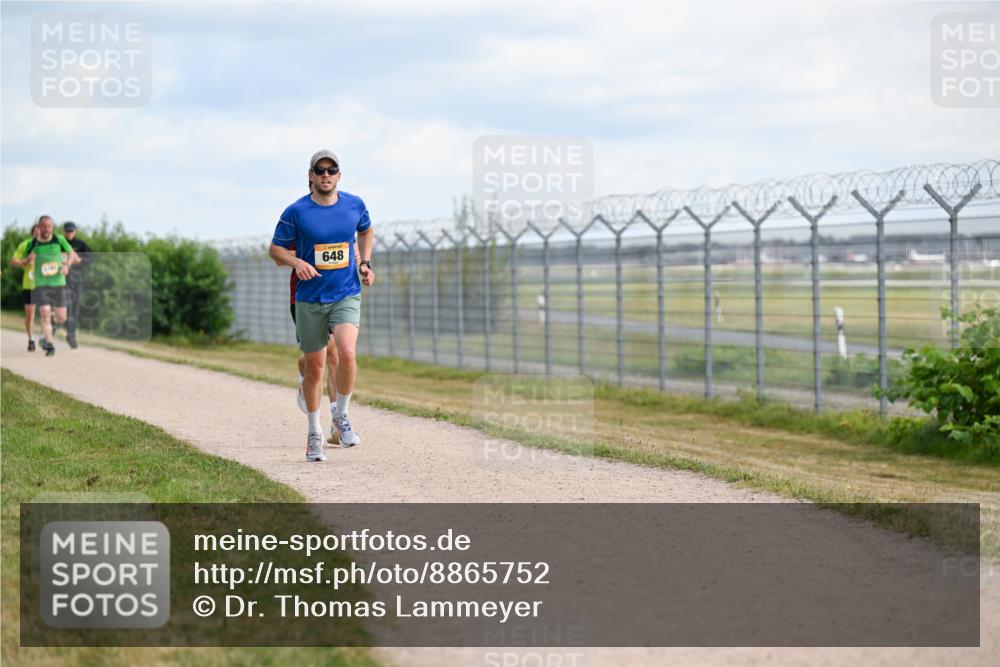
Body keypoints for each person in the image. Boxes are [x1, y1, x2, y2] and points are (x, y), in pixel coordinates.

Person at [270, 149, 375, 462]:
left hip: (345, 292)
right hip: (309, 296)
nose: (326, 175)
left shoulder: (354, 205)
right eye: (320, 170)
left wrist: (365, 263)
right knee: (316, 365)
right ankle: (314, 432)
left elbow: (363, 232)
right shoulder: (296, 212)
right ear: (311, 176)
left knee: (344, 352)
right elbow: (276, 251)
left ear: (339, 175)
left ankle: (340, 417)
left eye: (332, 170)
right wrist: (297, 262)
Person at [17, 216, 80, 356]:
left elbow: (71, 253)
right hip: (41, 284)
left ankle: (51, 324)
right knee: (44, 313)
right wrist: (27, 260)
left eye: (49, 226)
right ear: (39, 227)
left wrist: (67, 265)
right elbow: (24, 261)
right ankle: (49, 345)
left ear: (52, 227)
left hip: (58, 283)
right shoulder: (33, 243)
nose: (46, 229)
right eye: (44, 226)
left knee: (61, 317)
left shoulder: (59, 239)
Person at [9, 222, 40, 351]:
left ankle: (46, 336)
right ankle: (31, 339)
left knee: (47, 312)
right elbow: (13, 261)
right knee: (30, 315)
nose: (39, 233)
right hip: (30, 284)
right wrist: (25, 261)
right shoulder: (25, 245)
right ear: (32, 233)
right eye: (36, 231)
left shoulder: (50, 245)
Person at [61, 221, 93, 348]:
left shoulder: (80, 244)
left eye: (71, 231)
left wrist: (80, 260)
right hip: (61, 280)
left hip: (77, 280)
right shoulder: (59, 243)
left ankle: (71, 336)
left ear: (75, 231)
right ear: (63, 231)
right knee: (64, 307)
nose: (69, 233)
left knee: (74, 309)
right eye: (67, 231)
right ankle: (52, 328)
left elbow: (91, 257)